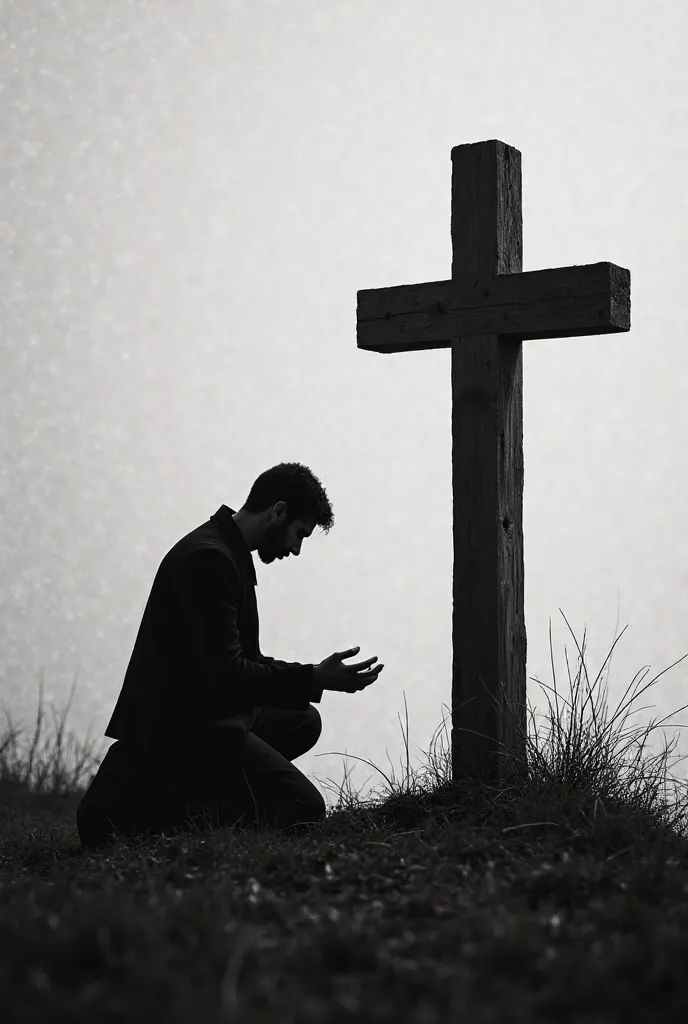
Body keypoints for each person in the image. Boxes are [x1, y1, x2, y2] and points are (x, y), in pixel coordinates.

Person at [76, 462, 384, 850]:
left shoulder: (229, 553)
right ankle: (167, 812)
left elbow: (243, 660)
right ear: (278, 512)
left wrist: (314, 676)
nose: (295, 549)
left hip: (209, 715)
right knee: (302, 806)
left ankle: (196, 793)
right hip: (183, 731)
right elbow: (227, 676)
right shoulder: (210, 559)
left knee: (302, 720)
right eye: (299, 534)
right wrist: (316, 679)